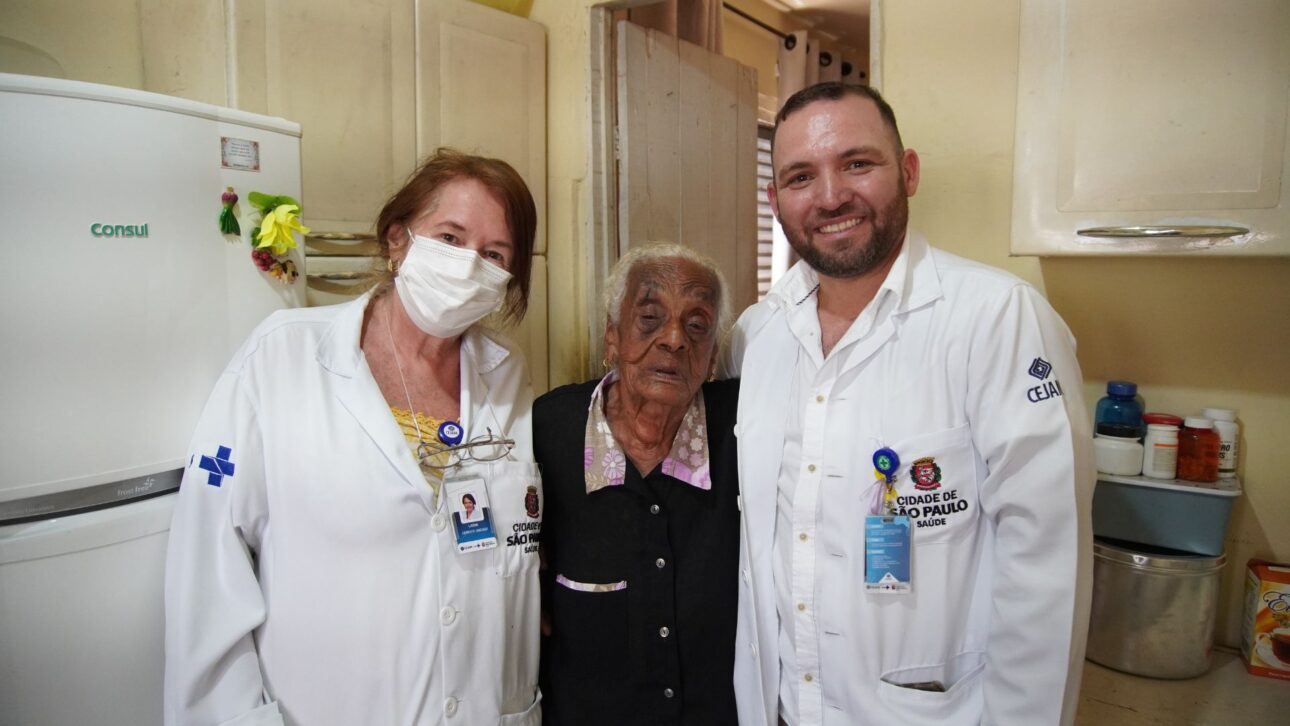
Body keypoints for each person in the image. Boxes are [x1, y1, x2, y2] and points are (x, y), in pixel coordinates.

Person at [721, 82, 1094, 725]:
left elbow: (1046, 572)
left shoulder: (998, 319)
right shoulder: (756, 336)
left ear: (910, 172)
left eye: (858, 163)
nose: (831, 195)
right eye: (801, 176)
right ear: (775, 199)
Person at [164, 148, 544, 725]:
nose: (468, 266)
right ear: (398, 240)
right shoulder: (282, 357)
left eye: (493, 254)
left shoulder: (509, 375)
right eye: (449, 237)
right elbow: (207, 562)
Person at [535, 243, 740, 725]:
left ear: (712, 356)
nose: (674, 340)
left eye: (697, 325)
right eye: (649, 318)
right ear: (611, 336)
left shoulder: (742, 430)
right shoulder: (550, 428)